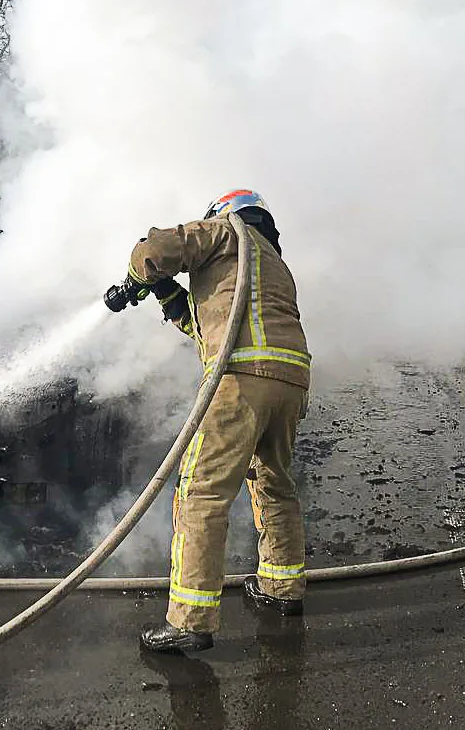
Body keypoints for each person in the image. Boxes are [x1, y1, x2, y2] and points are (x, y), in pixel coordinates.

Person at [116, 189, 311, 653]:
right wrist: (165, 291)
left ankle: (190, 619)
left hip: (240, 380)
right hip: (289, 381)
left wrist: (132, 279)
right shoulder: (273, 265)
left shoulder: (225, 233)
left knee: (202, 492)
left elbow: (156, 249)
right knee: (273, 484)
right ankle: (283, 588)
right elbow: (208, 325)